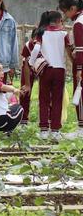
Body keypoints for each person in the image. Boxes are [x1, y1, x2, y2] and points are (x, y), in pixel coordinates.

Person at [29, 10, 72, 141]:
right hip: (60, 69)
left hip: (46, 69)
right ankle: (55, 130)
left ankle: (43, 130)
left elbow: (36, 49)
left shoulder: (41, 32)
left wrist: (31, 63)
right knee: (57, 100)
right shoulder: (64, 34)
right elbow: (69, 49)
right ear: (59, 21)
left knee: (44, 99)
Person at [59, 0, 83, 138]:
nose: (64, 14)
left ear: (73, 9)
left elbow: (80, 49)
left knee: (80, 95)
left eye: (65, 11)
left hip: (81, 63)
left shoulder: (78, 24)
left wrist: (79, 69)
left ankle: (81, 129)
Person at [20, 29, 37, 125]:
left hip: (44, 69)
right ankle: (23, 120)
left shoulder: (46, 46)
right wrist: (27, 84)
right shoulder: (28, 46)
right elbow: (26, 66)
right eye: (33, 40)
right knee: (25, 91)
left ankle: (48, 121)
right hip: (29, 69)